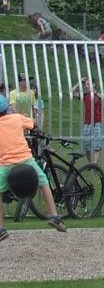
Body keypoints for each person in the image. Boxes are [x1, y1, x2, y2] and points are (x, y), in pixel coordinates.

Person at [0, 94, 67, 240]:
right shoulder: (17, 118)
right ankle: (54, 216)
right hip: (25, 159)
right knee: (43, 180)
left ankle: (1, 228)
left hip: (5, 163)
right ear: (6, 109)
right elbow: (33, 124)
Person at [72, 77, 104, 165]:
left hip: (97, 123)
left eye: (89, 84)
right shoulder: (85, 95)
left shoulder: (99, 96)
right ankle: (91, 164)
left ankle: (94, 164)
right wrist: (79, 82)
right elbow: (72, 92)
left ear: (94, 84)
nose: (87, 86)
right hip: (87, 123)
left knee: (97, 145)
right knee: (86, 146)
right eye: (86, 84)